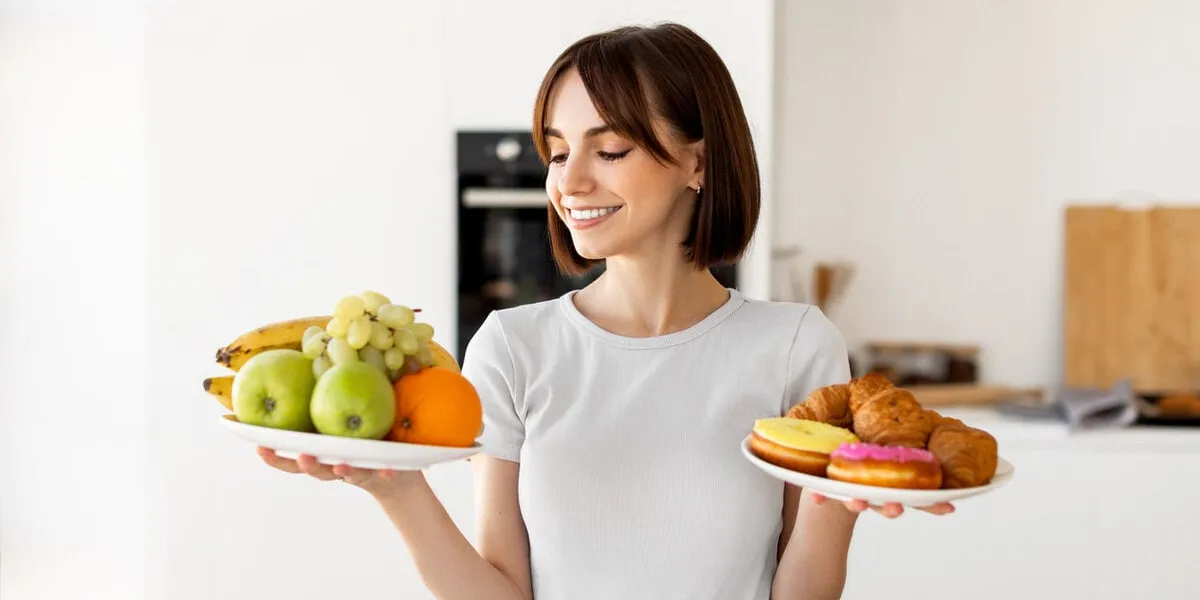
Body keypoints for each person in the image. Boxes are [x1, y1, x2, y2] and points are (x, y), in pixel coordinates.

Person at [257, 21, 953, 600]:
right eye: (558, 153)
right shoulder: (512, 347)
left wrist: (838, 497)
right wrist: (398, 492)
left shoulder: (796, 346)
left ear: (698, 165)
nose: (571, 181)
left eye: (610, 148)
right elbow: (504, 588)